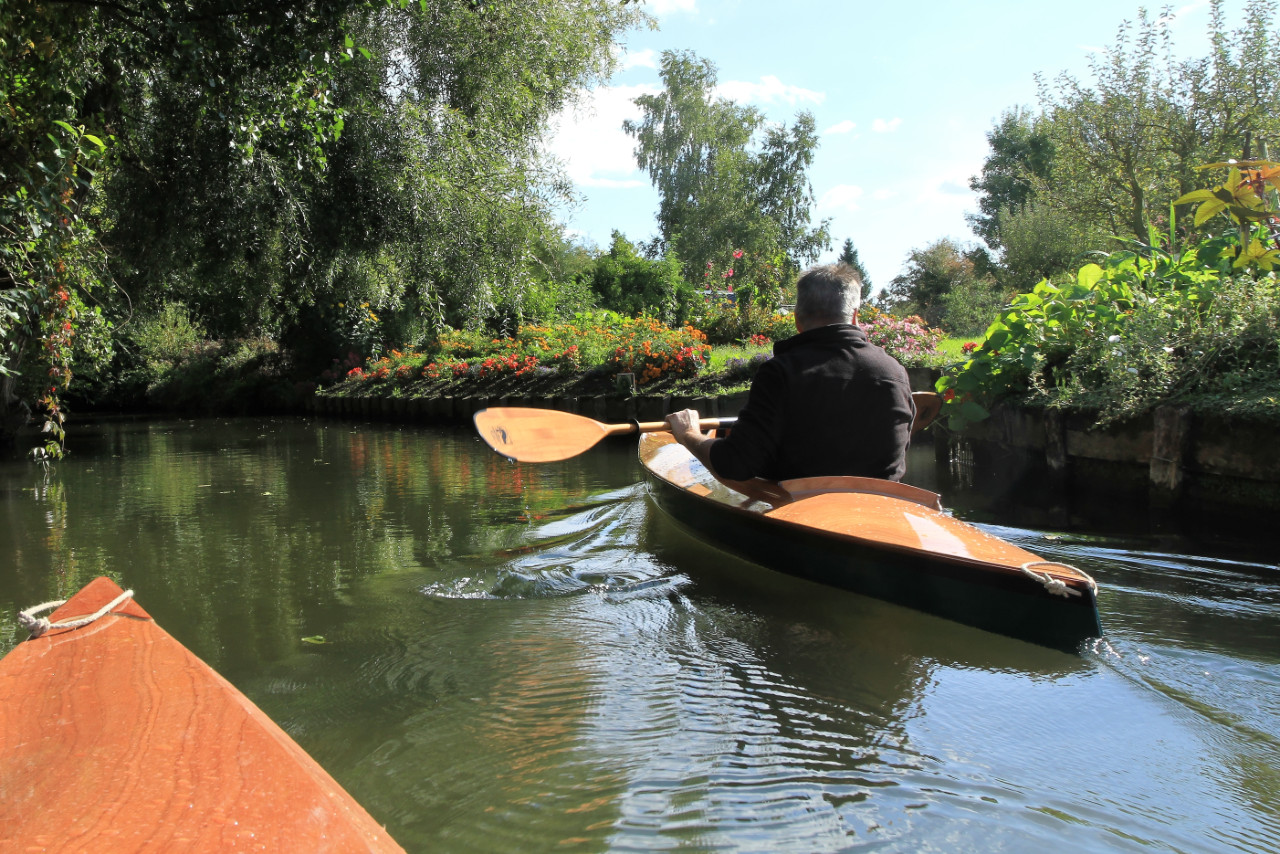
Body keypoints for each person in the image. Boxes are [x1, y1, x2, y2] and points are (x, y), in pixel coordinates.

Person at [666, 262, 915, 484]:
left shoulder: (781, 373)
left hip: (804, 516)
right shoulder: (894, 371)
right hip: (884, 513)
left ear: (797, 320)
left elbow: (735, 464)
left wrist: (688, 434)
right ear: (855, 317)